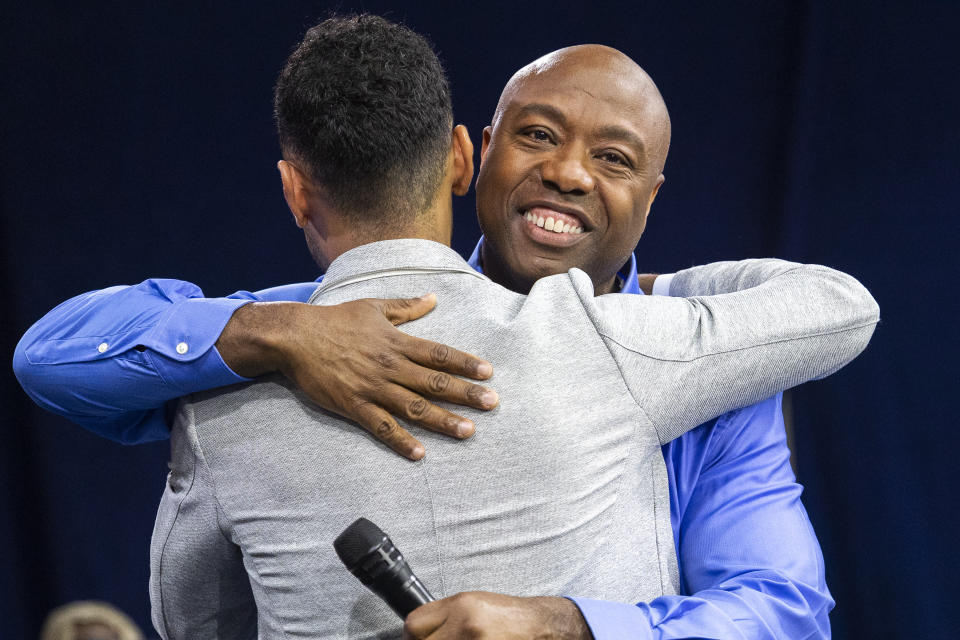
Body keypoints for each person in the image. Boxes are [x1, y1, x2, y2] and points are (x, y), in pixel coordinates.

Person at [11, 16, 874, 640]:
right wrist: (263, 334)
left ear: (652, 199)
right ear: (475, 156)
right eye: (539, 135)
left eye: (613, 159)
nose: (569, 172)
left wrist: (569, 626)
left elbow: (781, 612)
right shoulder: (316, 323)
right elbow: (50, 355)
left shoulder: (692, 359)